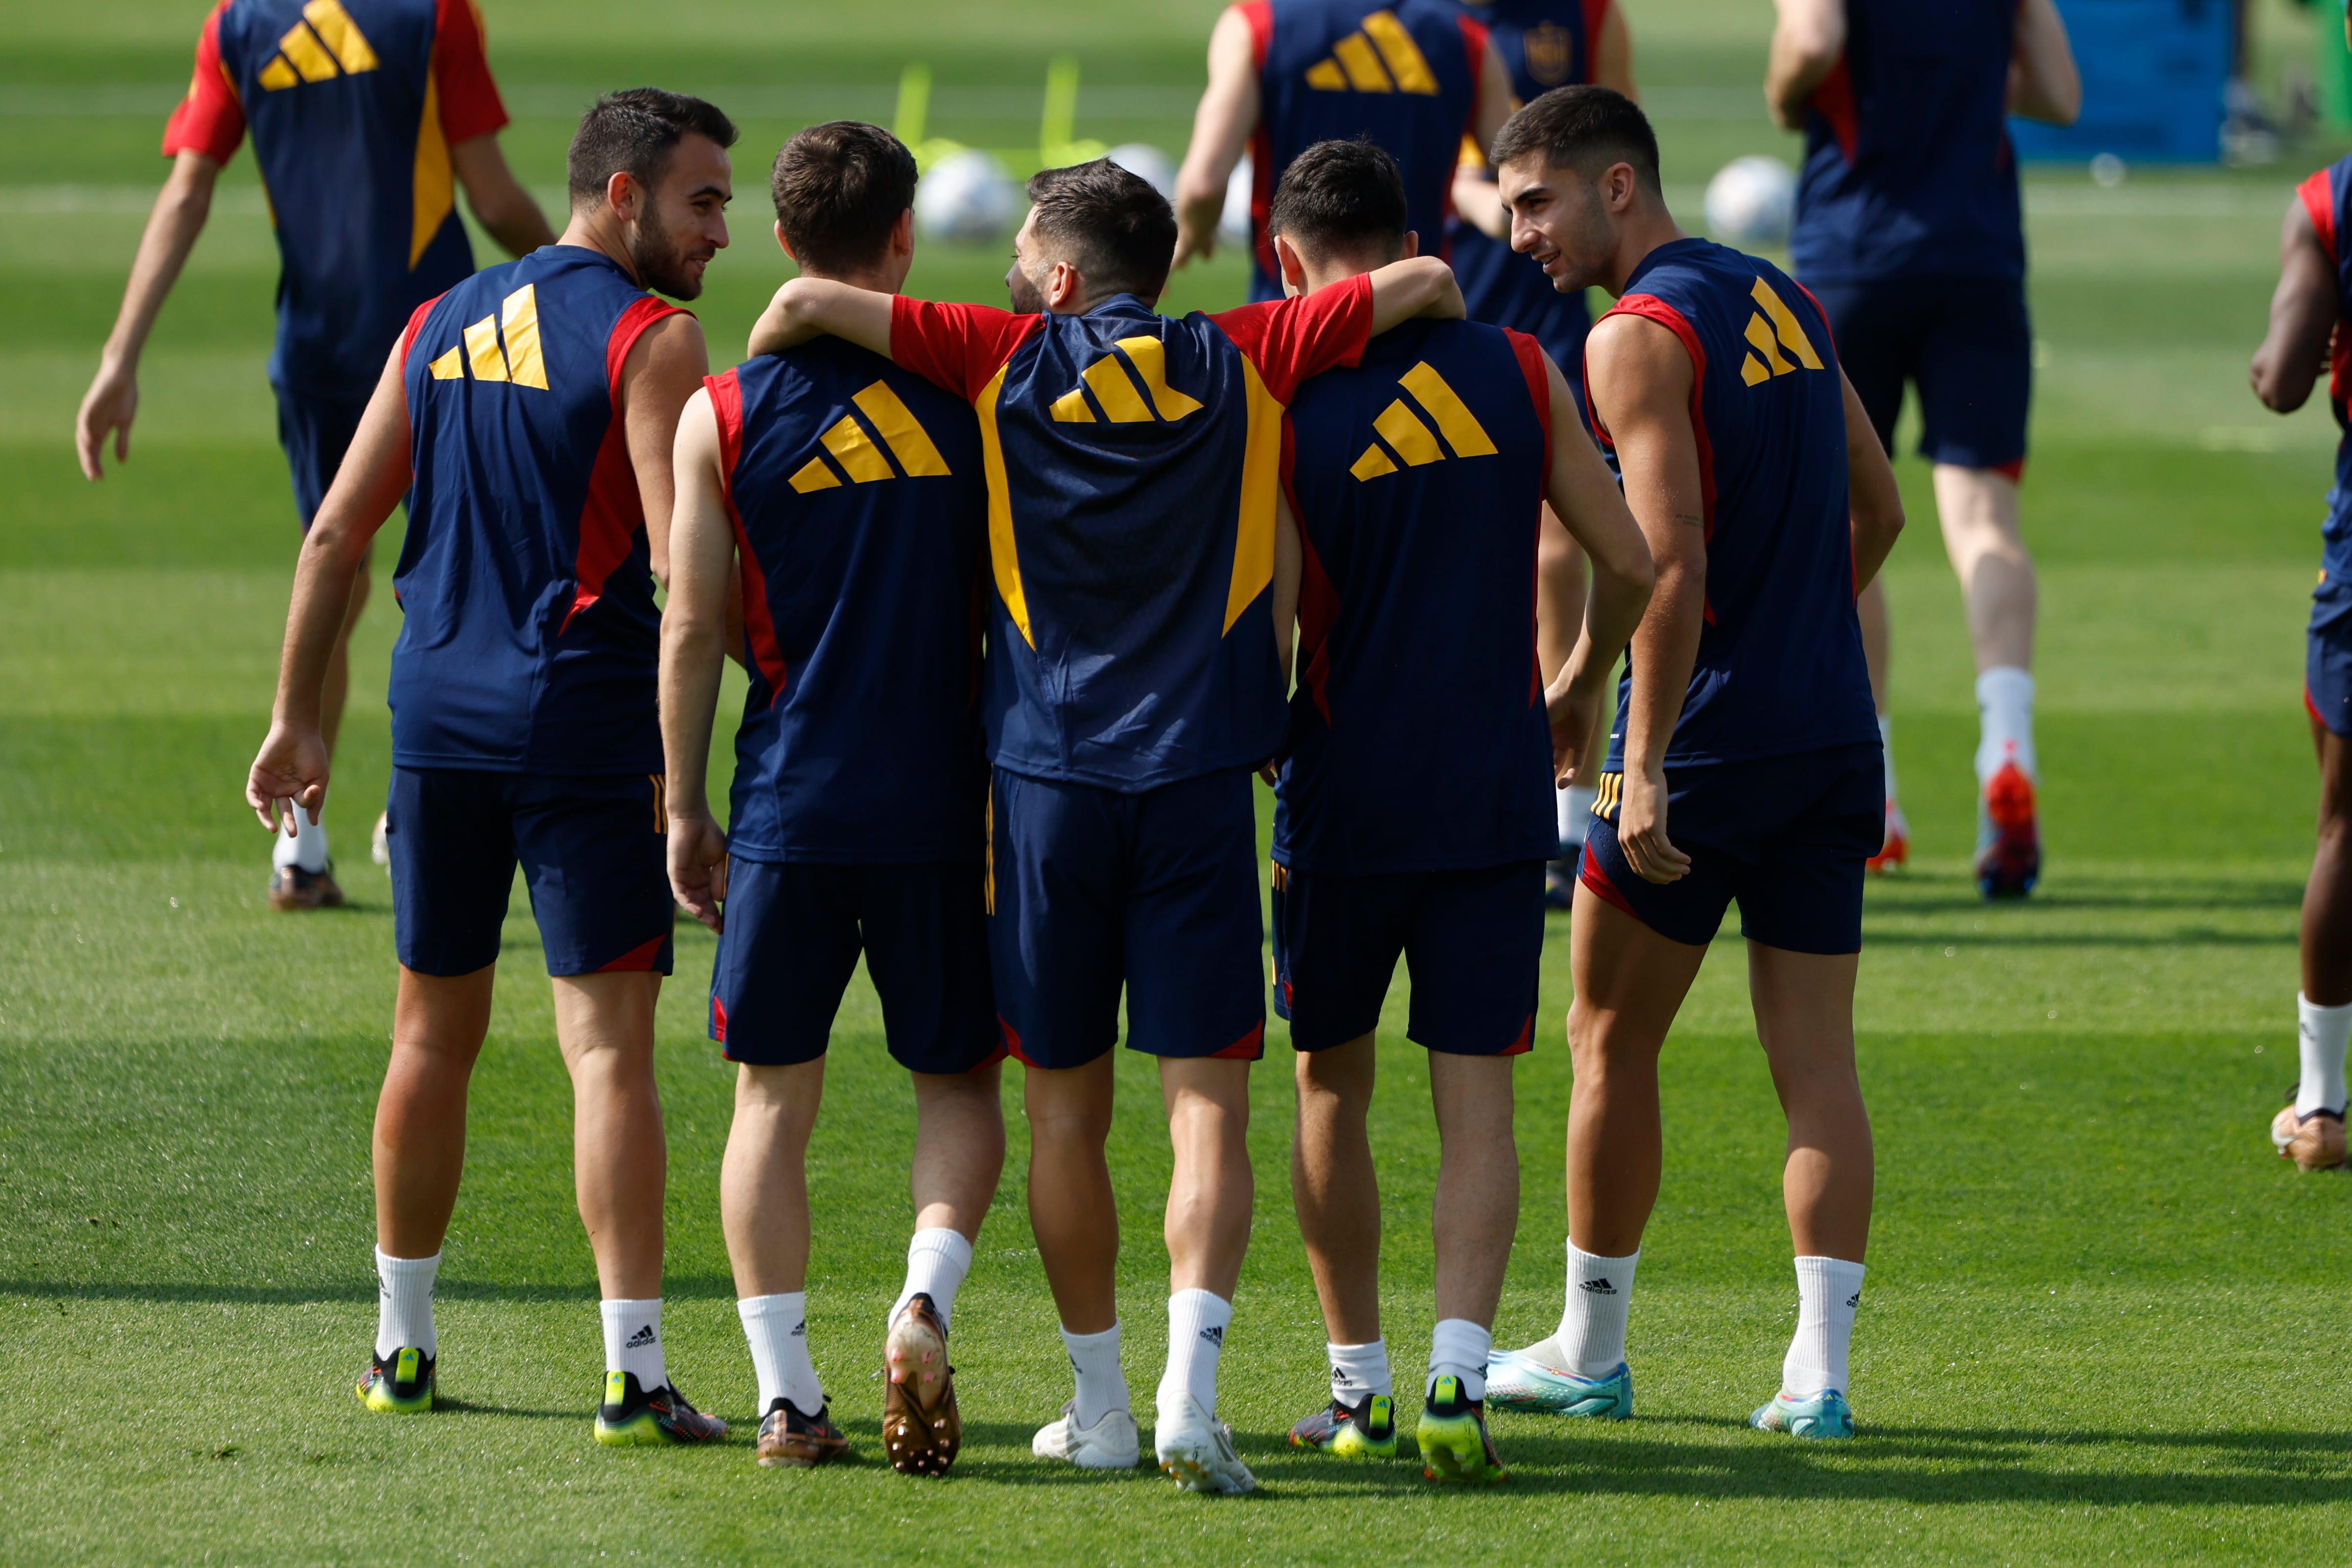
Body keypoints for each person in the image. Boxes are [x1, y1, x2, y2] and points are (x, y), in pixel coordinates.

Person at [746, 158, 1464, 1493]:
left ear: (1063, 280)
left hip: (1042, 791)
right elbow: (1424, 279)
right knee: (1209, 1114)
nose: (1012, 265)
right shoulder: (1249, 350)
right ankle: (1197, 1396)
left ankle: (1105, 1411)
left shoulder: (993, 356)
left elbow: (800, 305)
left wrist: (778, 330)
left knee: (1065, 1120)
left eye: (1027, 250)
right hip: (1200, 786)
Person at [243, 88, 736, 1444]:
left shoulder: (438, 316)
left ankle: (401, 1349)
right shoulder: (654, 336)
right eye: (700, 203)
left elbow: (336, 535)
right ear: (622, 196)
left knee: (428, 1035)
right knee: (606, 1053)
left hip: (435, 719)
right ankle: (634, 1373)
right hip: (579, 721)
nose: (718, 236)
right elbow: (673, 559)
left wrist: (298, 719)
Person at [1480, 86, 1904, 1439]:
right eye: (1507, 208)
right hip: (1834, 736)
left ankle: (1590, 1354)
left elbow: (1664, 560)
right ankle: (1820, 1377)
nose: (1520, 232)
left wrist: (1641, 754)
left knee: (1608, 1032)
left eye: (1537, 200)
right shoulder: (1781, 295)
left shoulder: (1631, 338)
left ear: (1618, 188)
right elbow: (1880, 506)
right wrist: (1804, 636)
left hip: (1700, 746)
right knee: (1818, 1062)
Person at [1261, 139, 1652, 1483]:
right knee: (1476, 1105)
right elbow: (1632, 558)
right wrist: (1577, 683)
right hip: (1496, 798)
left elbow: (1262, 630)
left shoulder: (1281, 396)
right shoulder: (1520, 368)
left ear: (1287, 257)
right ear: (1422, 231)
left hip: (1342, 795)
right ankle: (1456, 1383)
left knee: (1330, 1086)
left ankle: (1356, 1390)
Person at [661, 120, 1007, 1473]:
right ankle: (924, 1295)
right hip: (946, 802)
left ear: (784, 242)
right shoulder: (976, 399)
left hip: (791, 795)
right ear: (907, 241)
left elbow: (692, 630)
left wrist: (683, 806)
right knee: (960, 1085)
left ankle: (788, 1396)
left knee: (769, 1103)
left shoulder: (723, 412)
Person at [88, 0, 554, 910]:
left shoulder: (237, 26)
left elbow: (187, 192)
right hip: (445, 350)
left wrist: (119, 357)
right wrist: (585, 280)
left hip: (317, 355)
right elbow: (491, 195)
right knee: (477, 583)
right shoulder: (435, 16)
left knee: (333, 579)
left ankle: (299, 850)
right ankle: (419, 809)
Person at [1767, 0, 2077, 895]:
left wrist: (1787, 94)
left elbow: (1813, 43)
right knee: (1985, 520)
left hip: (1851, 254)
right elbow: (2059, 94)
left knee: (1843, 520)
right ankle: (2006, 744)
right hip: (1977, 258)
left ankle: (1879, 791)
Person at [1449, 0, 1637, 898]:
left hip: (1560, 322)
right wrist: (1507, 213)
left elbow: (1620, 142)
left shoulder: (1590, 14)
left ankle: (1562, 818)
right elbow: (1437, 170)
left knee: (1566, 550)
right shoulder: (1431, 25)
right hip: (1460, 316)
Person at [2249, 48, 2352, 1172]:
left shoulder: (2332, 200)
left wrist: (2278, 359)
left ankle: (2320, 1105)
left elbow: (2283, 380)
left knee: (2345, 823)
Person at [1170, 0, 1513, 301]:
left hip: (1294, 315)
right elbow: (1518, 181)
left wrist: (1188, 239)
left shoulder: (1258, 23)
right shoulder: (1468, 37)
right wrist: (1466, 193)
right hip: (1417, 308)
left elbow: (1204, 186)